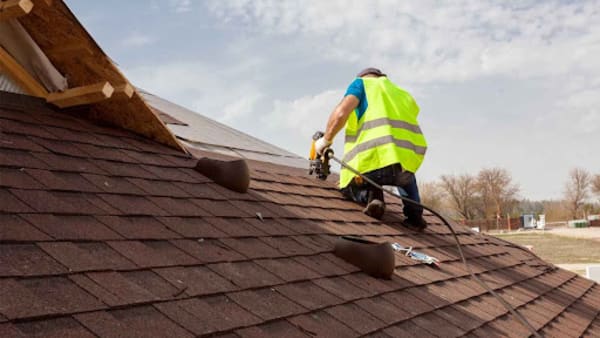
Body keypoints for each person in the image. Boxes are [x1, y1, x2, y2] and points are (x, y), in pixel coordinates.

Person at [314, 67, 428, 229]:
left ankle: (373, 197)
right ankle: (415, 215)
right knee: (405, 176)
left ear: (365, 77)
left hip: (374, 161)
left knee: (347, 187)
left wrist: (325, 140)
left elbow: (341, 113)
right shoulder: (400, 93)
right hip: (406, 163)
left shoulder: (361, 84)